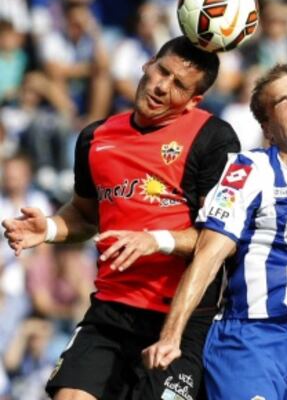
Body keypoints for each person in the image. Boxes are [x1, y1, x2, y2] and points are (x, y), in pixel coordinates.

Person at [2, 35, 241, 400]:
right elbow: (85, 215)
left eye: (178, 85)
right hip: (111, 310)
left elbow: (216, 239)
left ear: (194, 101)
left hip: (179, 317)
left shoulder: (213, 138)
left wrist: (155, 239)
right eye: (162, 71)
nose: (162, 87)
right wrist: (49, 227)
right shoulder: (95, 137)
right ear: (147, 64)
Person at [143, 64, 287, 400]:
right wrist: (171, 335)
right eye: (283, 100)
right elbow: (207, 256)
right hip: (248, 338)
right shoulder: (249, 170)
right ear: (268, 129)